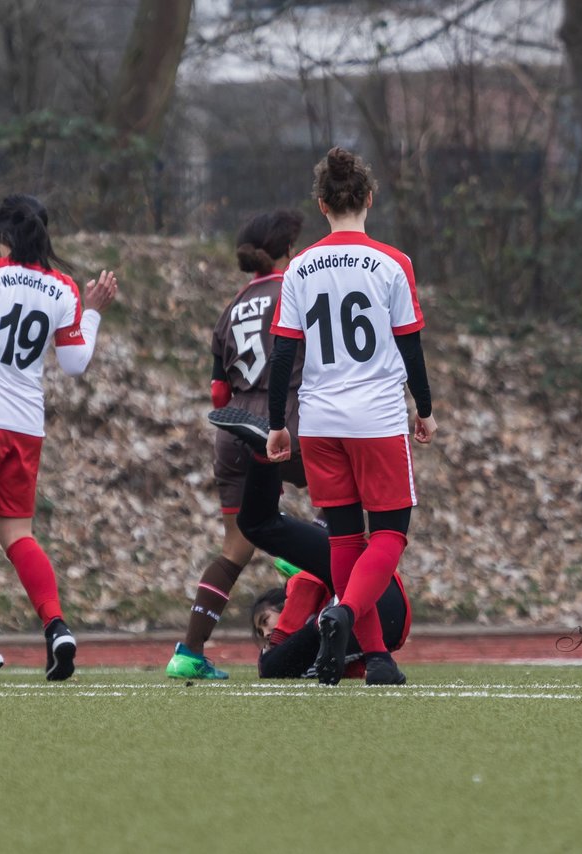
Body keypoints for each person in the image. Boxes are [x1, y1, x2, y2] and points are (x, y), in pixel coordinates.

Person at [266, 147, 437, 686]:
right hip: (376, 419)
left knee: (344, 538)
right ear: (368, 197)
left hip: (318, 422)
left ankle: (377, 657)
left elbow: (284, 354)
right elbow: (410, 349)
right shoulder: (393, 263)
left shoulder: (299, 267)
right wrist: (425, 410)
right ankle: (339, 614)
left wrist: (278, 423)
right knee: (390, 533)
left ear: (321, 205)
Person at [0, 194, 118, 682]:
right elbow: (75, 365)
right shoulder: (64, 288)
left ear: (4, 236)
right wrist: (93, 312)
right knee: (18, 535)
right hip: (25, 426)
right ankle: (56, 626)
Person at [164, 210, 307, 680]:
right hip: (285, 416)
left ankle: (189, 651)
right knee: (348, 504)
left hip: (231, 427)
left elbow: (217, 393)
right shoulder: (297, 288)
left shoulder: (232, 307)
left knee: (235, 547)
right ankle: (301, 563)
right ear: (287, 249)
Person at [209, 411, 413, 681]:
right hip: (381, 616)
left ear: (279, 602)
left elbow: (307, 584)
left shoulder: (297, 589)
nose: (266, 633)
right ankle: (378, 658)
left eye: (263, 622)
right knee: (259, 525)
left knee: (272, 666)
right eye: (262, 634)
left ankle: (263, 451)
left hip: (369, 601)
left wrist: (279, 640)